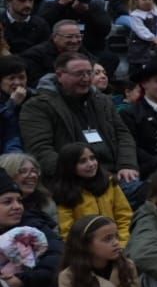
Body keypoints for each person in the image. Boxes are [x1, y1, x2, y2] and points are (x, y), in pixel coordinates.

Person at [20, 51, 141, 189]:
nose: (86, 78)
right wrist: (81, 171)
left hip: (116, 173)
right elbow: (40, 150)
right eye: (79, 74)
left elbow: (123, 135)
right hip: (73, 181)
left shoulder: (103, 101)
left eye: (89, 73)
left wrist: (127, 165)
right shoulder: (38, 106)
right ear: (59, 75)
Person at [50, 140, 133, 242]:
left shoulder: (110, 183)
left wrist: (122, 242)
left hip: (118, 243)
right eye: (82, 161)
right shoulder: (65, 193)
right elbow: (68, 232)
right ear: (70, 166)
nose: (91, 164)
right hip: (86, 250)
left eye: (92, 158)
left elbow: (124, 217)